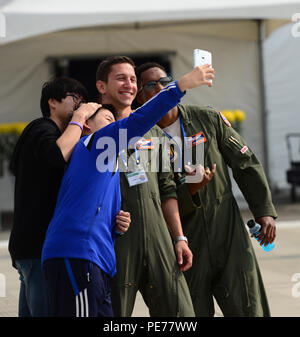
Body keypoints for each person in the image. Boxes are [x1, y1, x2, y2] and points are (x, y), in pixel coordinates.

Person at [41, 67, 212, 317]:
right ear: (87, 125)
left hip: (95, 262)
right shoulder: (96, 144)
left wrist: (118, 225)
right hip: (77, 256)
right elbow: (138, 121)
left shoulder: (107, 165)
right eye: (109, 121)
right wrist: (181, 85)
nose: (116, 125)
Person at [136, 62, 277, 317]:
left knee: (248, 305)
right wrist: (188, 190)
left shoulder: (207, 118)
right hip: (183, 241)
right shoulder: (142, 137)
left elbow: (244, 162)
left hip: (227, 231)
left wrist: (263, 210)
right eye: (150, 84)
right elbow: (152, 195)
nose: (159, 88)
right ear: (140, 95)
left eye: (165, 81)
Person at [95, 56, 214, 317]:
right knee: (114, 315)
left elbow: (166, 189)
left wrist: (179, 238)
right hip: (114, 240)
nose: (129, 84)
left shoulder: (154, 132)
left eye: (133, 79)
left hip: (158, 237)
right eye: (121, 78)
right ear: (101, 86)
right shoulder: (91, 131)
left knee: (181, 313)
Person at [8, 77, 100, 317]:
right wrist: (80, 119)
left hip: (33, 248)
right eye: (74, 99)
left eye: (82, 100)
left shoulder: (58, 135)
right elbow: (57, 155)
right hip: (38, 247)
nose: (80, 105)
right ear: (52, 102)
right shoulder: (42, 128)